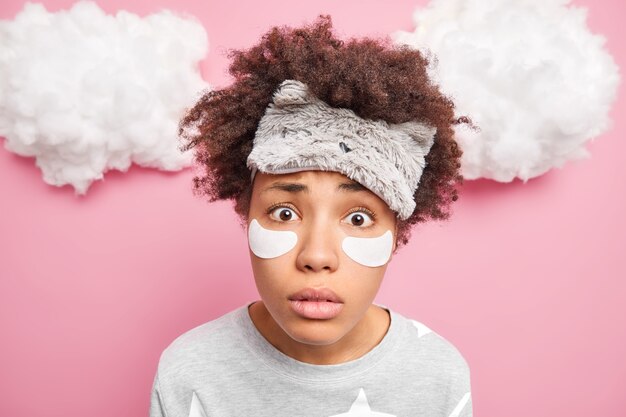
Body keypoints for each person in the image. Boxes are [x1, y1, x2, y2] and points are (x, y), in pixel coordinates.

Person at [150, 14, 472, 417]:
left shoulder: (439, 378)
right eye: (284, 213)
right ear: (246, 212)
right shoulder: (189, 373)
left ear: (397, 230)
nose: (316, 256)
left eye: (358, 218)